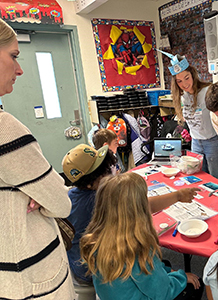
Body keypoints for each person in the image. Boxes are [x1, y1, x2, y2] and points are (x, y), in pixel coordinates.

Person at [0, 19, 75, 299]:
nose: (19, 69)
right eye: (13, 56)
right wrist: (42, 194)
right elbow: (61, 202)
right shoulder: (5, 129)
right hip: (32, 275)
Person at [62, 143, 200, 284]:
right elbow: (143, 205)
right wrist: (177, 196)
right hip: (102, 270)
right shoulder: (101, 200)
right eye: (105, 172)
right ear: (91, 181)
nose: (111, 173)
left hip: (78, 262)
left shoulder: (72, 195)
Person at [80, 172, 204, 299]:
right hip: (152, 292)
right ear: (140, 209)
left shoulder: (96, 239)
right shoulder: (137, 248)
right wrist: (182, 276)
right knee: (196, 284)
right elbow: (163, 292)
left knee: (164, 264)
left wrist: (167, 272)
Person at [161, 49, 218, 181]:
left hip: (212, 141)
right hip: (196, 142)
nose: (184, 84)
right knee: (198, 178)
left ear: (193, 75)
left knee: (217, 179)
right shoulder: (182, 97)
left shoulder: (207, 91)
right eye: (179, 81)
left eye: (186, 78)